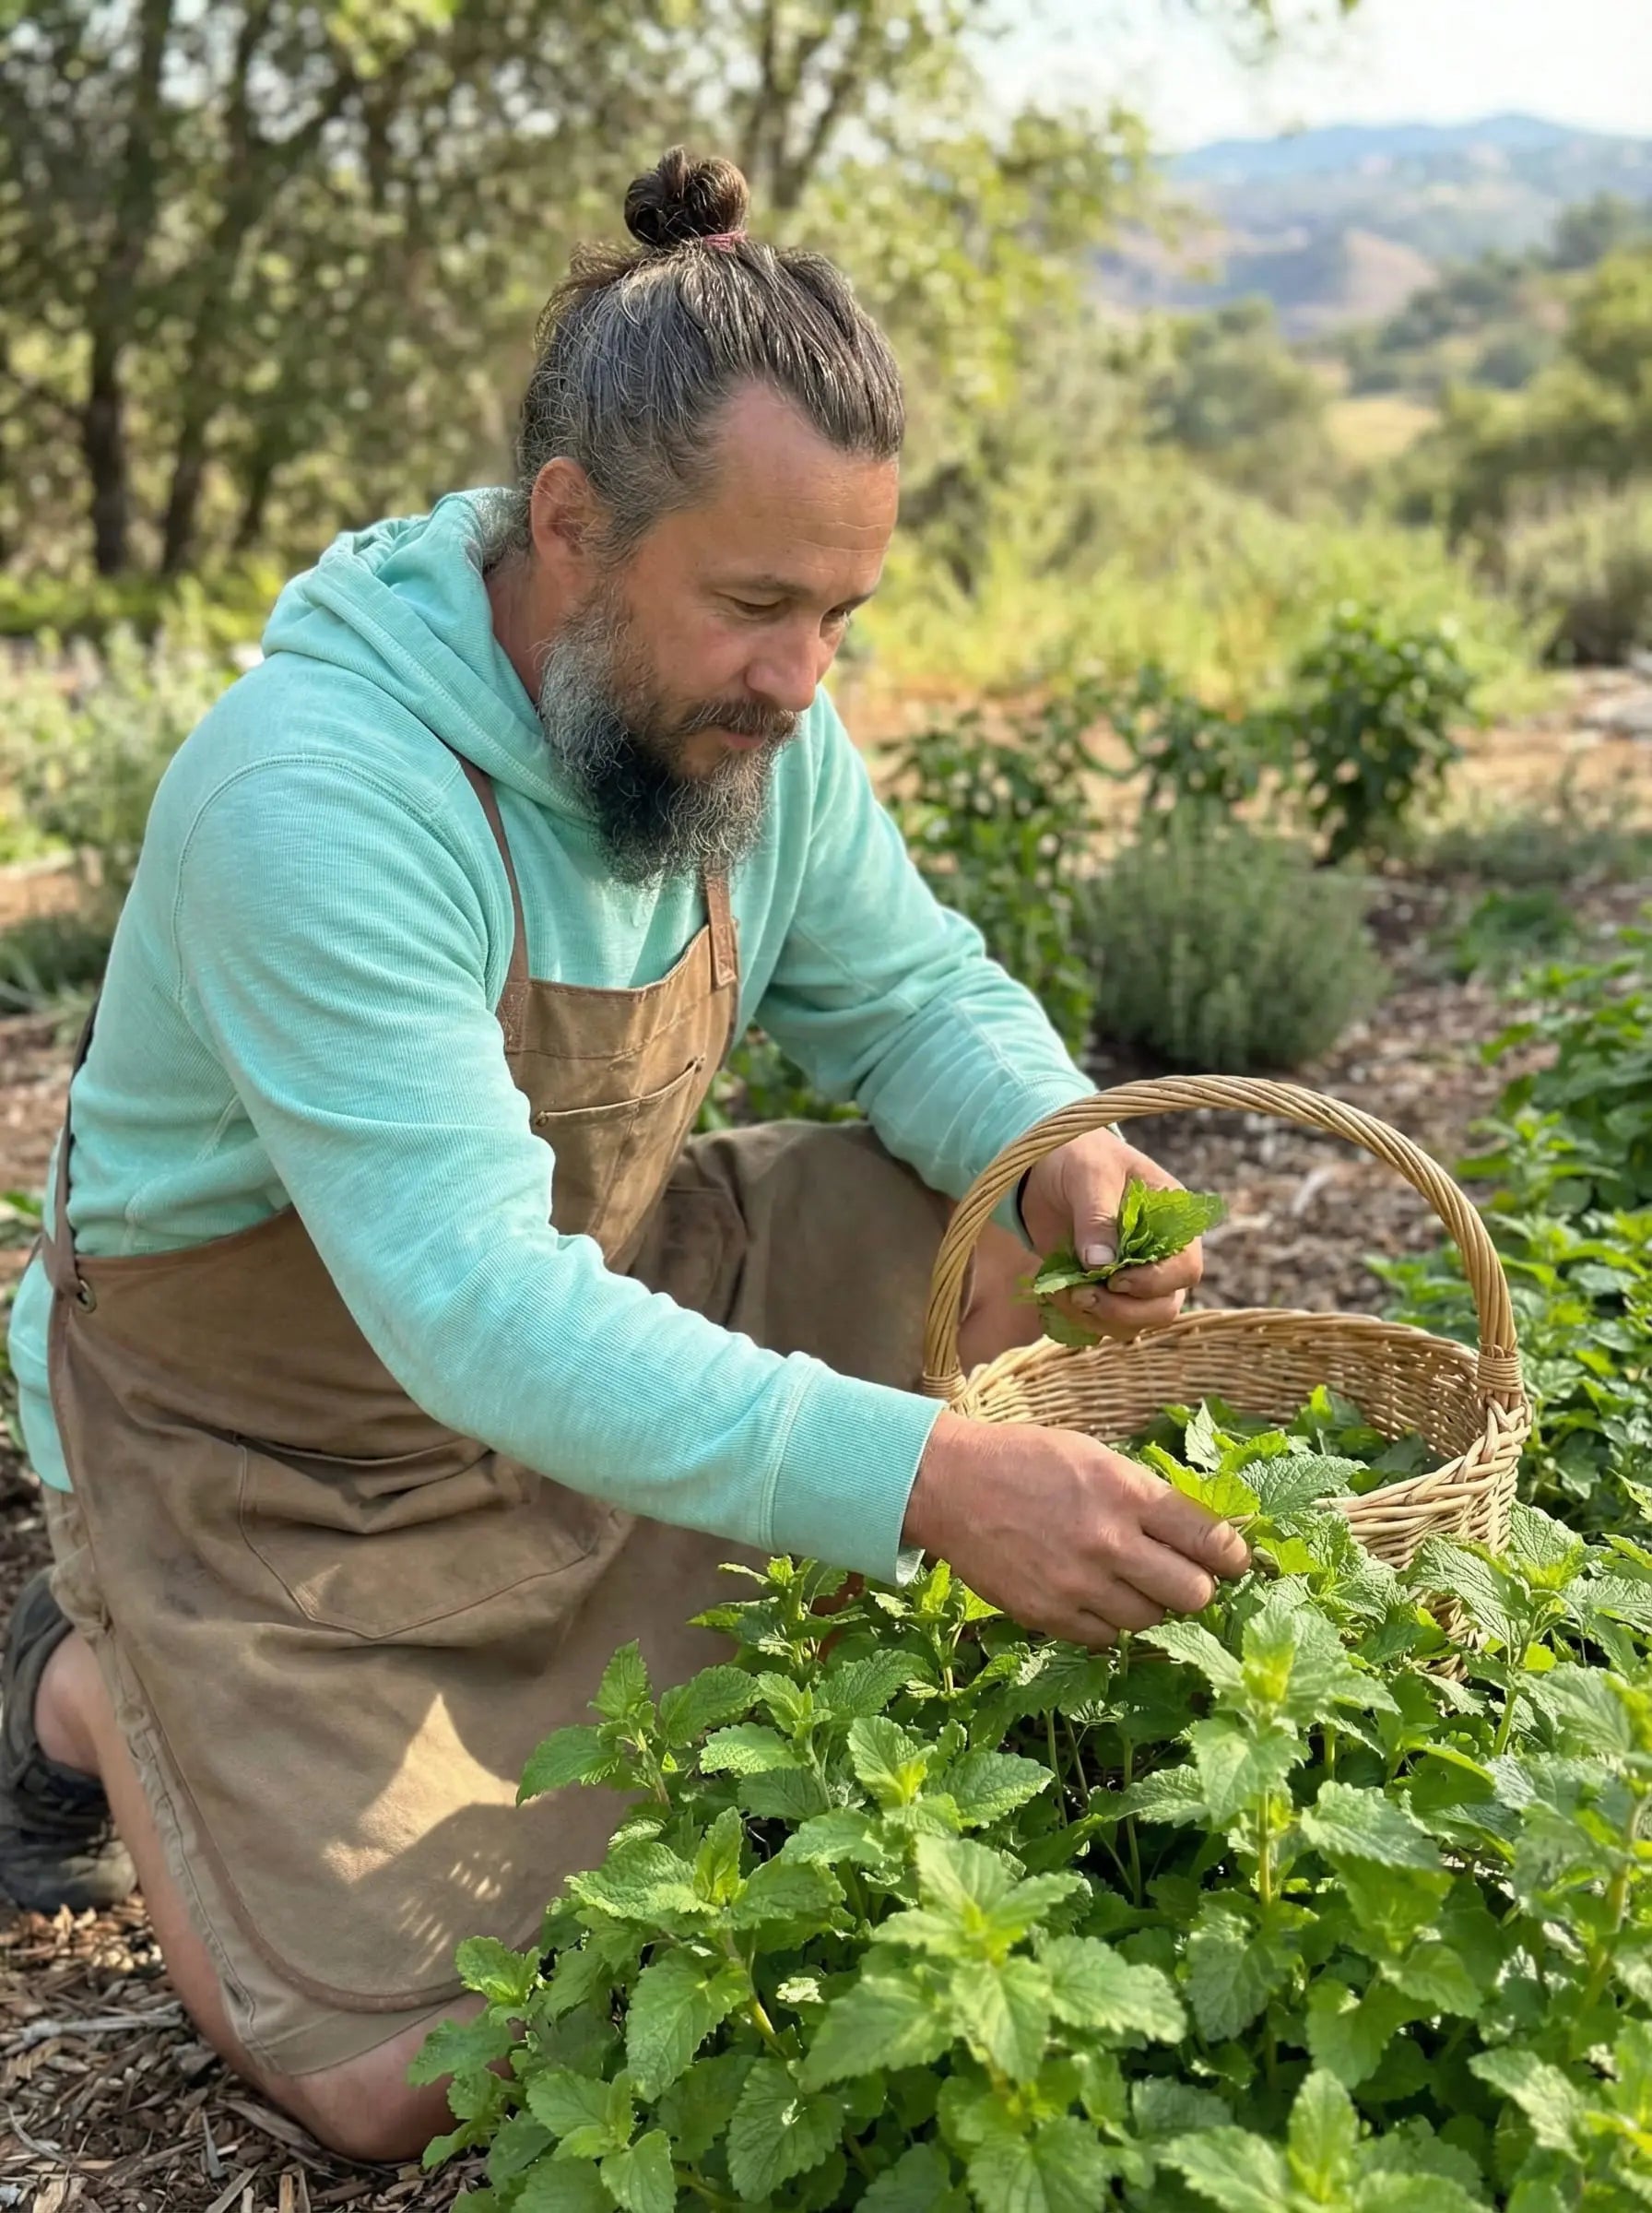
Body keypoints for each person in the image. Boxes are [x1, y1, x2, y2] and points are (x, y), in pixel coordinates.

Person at [0, 149, 1246, 2160]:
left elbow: (908, 992)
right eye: (755, 607)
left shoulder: (757, 719)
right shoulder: (318, 799)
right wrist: (923, 1481)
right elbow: (473, 1308)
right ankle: (84, 1688)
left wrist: (1055, 1152)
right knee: (421, 2068)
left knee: (989, 1242)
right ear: (568, 531)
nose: (801, 682)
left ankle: (697, 1639)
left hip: (610, 1294)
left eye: (840, 612)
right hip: (286, 1458)